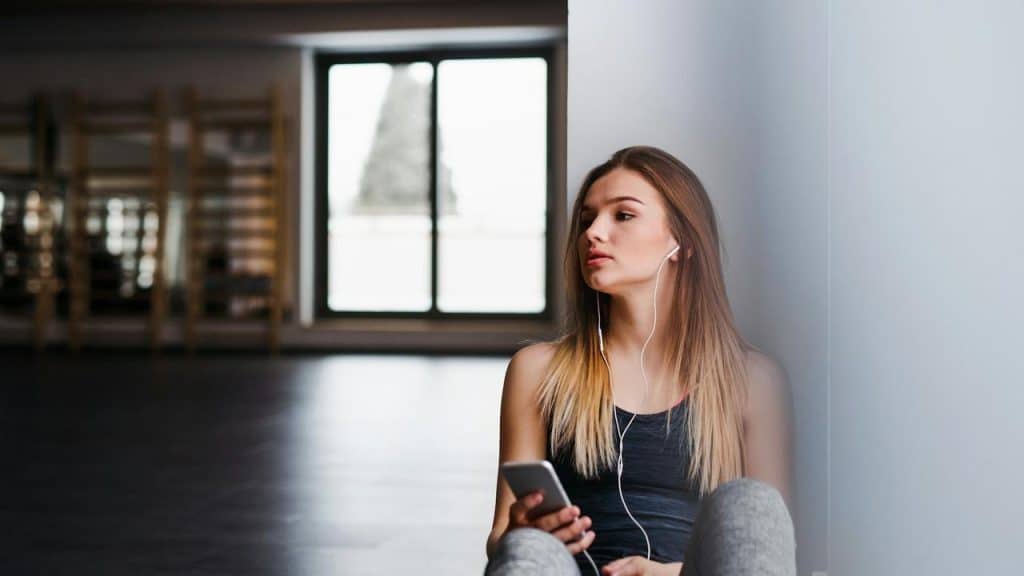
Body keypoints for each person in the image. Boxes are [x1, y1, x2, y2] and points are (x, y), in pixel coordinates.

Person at [484, 146, 796, 576]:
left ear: (682, 242)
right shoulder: (538, 370)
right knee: (528, 551)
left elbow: (771, 546)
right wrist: (521, 530)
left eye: (622, 216)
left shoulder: (754, 381)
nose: (593, 232)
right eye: (587, 219)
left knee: (753, 504)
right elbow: (500, 537)